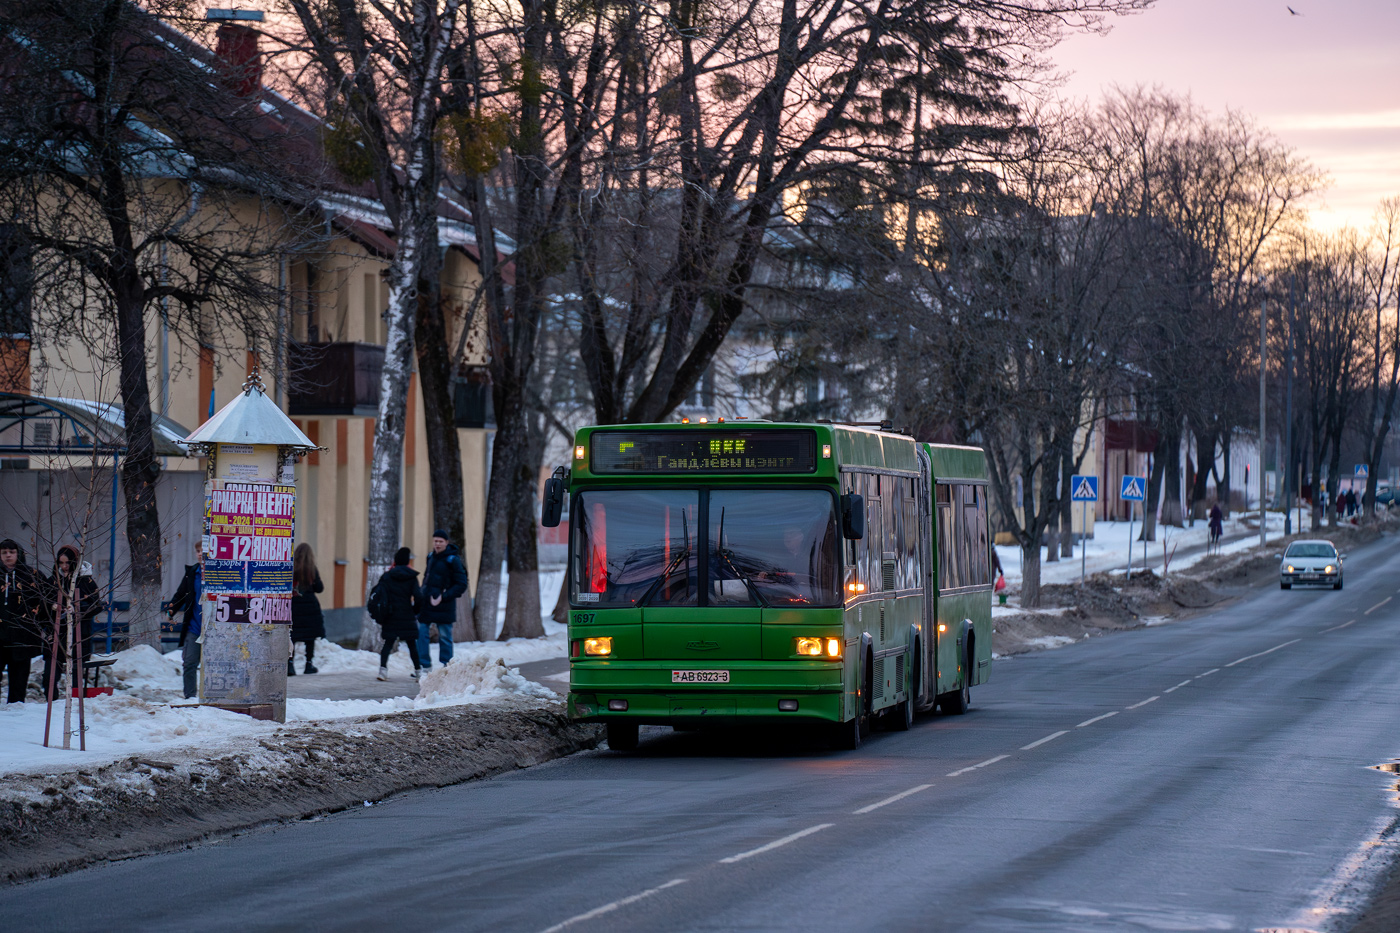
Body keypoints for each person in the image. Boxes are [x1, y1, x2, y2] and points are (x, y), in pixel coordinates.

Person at [41, 545, 103, 700]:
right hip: (56, 633)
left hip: (79, 633)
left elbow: (96, 605)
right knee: (49, 675)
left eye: (68, 563)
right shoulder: (54, 580)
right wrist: (53, 607)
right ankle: (51, 702)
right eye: (61, 563)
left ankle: (75, 704)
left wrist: (77, 609)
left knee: (76, 675)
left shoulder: (86, 581)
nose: (64, 566)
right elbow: (43, 605)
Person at [416, 529, 469, 674]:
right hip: (427, 603)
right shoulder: (430, 556)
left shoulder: (453, 560)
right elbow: (427, 578)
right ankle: (424, 666)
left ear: (446, 543)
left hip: (445, 605)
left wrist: (444, 596)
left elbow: (461, 584)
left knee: (445, 637)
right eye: (435, 541)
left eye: (440, 541)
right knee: (421, 633)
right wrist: (421, 594)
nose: (437, 544)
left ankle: (447, 667)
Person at [0, 538, 44, 704]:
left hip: (22, 633)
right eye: (4, 552)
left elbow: (45, 600)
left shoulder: (31, 576)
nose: (8, 556)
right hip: (0, 632)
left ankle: (16, 707)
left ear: (19, 554)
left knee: (19, 674)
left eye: (12, 552)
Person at [375, 547, 421, 681]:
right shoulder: (412, 577)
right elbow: (418, 597)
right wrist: (415, 611)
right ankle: (418, 672)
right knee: (412, 645)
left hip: (390, 615)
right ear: (407, 561)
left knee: (388, 643)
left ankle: (382, 671)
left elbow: (379, 594)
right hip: (407, 614)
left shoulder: (387, 576)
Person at [167, 549, 203, 700]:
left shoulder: (221, 572)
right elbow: (181, 594)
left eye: (204, 550)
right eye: (198, 551)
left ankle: (214, 696)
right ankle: (190, 697)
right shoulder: (193, 572)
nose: (201, 554)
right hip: (194, 626)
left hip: (216, 629)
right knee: (189, 662)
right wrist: (171, 609)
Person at [290, 543, 325, 675]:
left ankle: (290, 665)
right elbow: (319, 588)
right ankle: (308, 665)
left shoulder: (291, 568)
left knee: (292, 636)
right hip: (310, 607)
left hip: (294, 605)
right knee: (310, 638)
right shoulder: (312, 570)